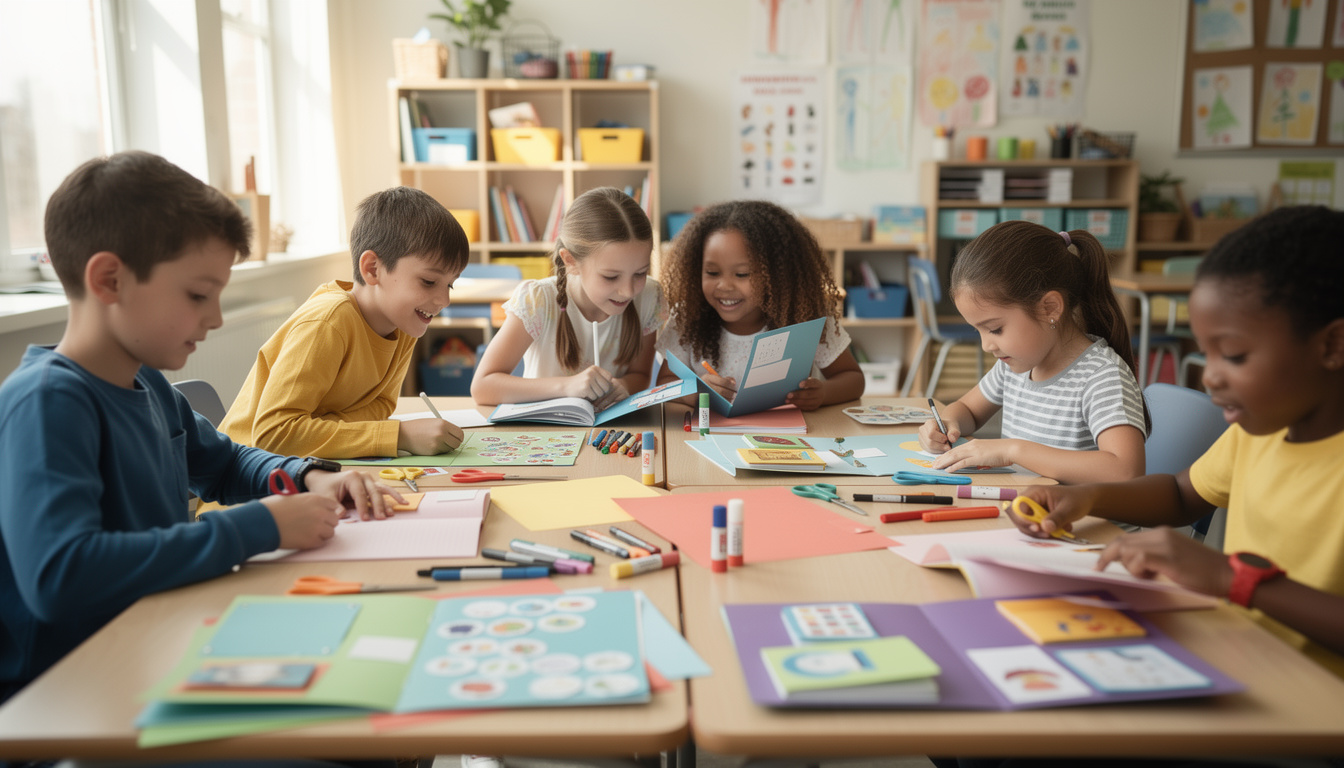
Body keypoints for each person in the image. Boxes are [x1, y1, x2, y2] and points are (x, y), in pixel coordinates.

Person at [938, 207, 1344, 768]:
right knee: (964, 702)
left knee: (1002, 740)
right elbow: (1181, 496)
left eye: (1237, 355)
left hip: (1303, 707)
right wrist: (1085, 498)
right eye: (1210, 352)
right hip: (1231, 656)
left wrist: (1235, 581)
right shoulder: (1259, 432)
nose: (1210, 376)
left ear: (1332, 346)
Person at [0, 151, 397, 710]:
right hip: (72, 698)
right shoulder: (46, 403)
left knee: (370, 678)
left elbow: (227, 464)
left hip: (158, 646)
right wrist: (257, 527)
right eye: (196, 295)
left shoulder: (148, 383)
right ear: (109, 279)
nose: (213, 319)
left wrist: (307, 477)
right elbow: (62, 576)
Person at [220, 186, 469, 459]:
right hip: (247, 477)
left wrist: (322, 426)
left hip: (305, 466)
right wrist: (399, 435)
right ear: (372, 269)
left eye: (450, 285)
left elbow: (381, 405)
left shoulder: (404, 323)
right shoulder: (327, 323)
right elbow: (274, 434)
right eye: (429, 282)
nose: (444, 300)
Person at [916, 220, 1147, 484]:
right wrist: (946, 424)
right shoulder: (1014, 366)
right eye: (977, 331)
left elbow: (1126, 470)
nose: (986, 345)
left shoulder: (1102, 376)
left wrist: (1012, 450)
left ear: (1049, 308)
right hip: (1027, 513)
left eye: (995, 329)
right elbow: (967, 409)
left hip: (1081, 523)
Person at [655, 199, 864, 411]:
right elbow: (665, 382)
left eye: (742, 274)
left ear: (777, 275)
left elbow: (853, 379)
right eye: (712, 273)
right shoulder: (687, 317)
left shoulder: (805, 316)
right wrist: (696, 393)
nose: (725, 286)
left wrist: (824, 394)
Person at [471, 187, 662, 409]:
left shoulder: (649, 297)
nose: (628, 291)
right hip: (542, 435)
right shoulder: (538, 301)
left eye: (640, 273)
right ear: (570, 261)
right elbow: (483, 387)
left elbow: (640, 375)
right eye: (611, 277)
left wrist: (624, 386)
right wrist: (568, 387)